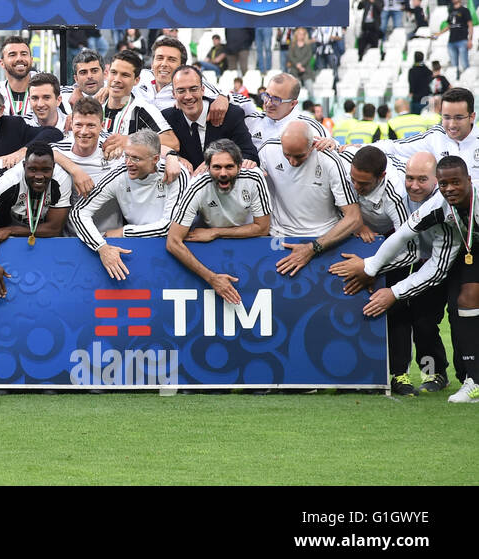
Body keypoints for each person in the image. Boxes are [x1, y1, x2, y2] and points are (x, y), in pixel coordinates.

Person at [329, 151, 455, 394]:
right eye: (410, 178)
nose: (356, 186)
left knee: (424, 318)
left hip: (421, 255)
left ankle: (435, 372)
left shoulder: (397, 194)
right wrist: (359, 224)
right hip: (388, 250)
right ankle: (398, 375)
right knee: (394, 313)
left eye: (421, 180)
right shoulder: (345, 171)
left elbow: (409, 250)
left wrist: (369, 267)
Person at [69, 129, 187, 281]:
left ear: (155, 159)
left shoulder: (176, 173)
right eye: (127, 156)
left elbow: (169, 227)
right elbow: (78, 213)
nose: (129, 163)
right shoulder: (119, 175)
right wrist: (101, 247)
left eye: (136, 159)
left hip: (172, 252)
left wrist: (124, 231)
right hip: (135, 251)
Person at [165, 140, 272, 303]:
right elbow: (172, 242)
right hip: (213, 250)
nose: (223, 173)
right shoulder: (197, 186)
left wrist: (216, 233)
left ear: (239, 165)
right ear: (208, 167)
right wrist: (212, 279)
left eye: (229, 166)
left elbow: (262, 228)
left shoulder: (254, 177)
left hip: (251, 244)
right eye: (217, 167)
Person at [257, 121, 362, 278]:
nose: (292, 162)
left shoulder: (329, 160)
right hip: (279, 240)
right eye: (287, 155)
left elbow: (353, 218)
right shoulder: (267, 150)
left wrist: (312, 248)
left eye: (299, 156)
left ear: (312, 145)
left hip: (323, 242)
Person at [0, 140, 73, 297]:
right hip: (4, 226)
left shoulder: (62, 180)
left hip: (35, 233)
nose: (39, 176)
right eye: (32, 170)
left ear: (53, 167)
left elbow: (54, 228)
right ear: (24, 166)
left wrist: (12, 230)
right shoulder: (10, 180)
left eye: (46, 170)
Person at [160, 66, 258, 171]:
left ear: (203, 90)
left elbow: (250, 155)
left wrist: (215, 163)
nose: (188, 96)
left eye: (193, 89)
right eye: (181, 91)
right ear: (174, 94)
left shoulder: (231, 115)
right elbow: (151, 150)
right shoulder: (166, 118)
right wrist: (175, 158)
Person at [374, 87, 479, 182]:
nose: (452, 125)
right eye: (446, 117)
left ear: (472, 117)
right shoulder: (436, 136)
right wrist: (361, 148)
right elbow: (395, 147)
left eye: (459, 118)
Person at [0, 36, 37, 119]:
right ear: (2, 63)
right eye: (12, 55)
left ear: (31, 60)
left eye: (24, 54)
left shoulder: (48, 89)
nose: (19, 58)